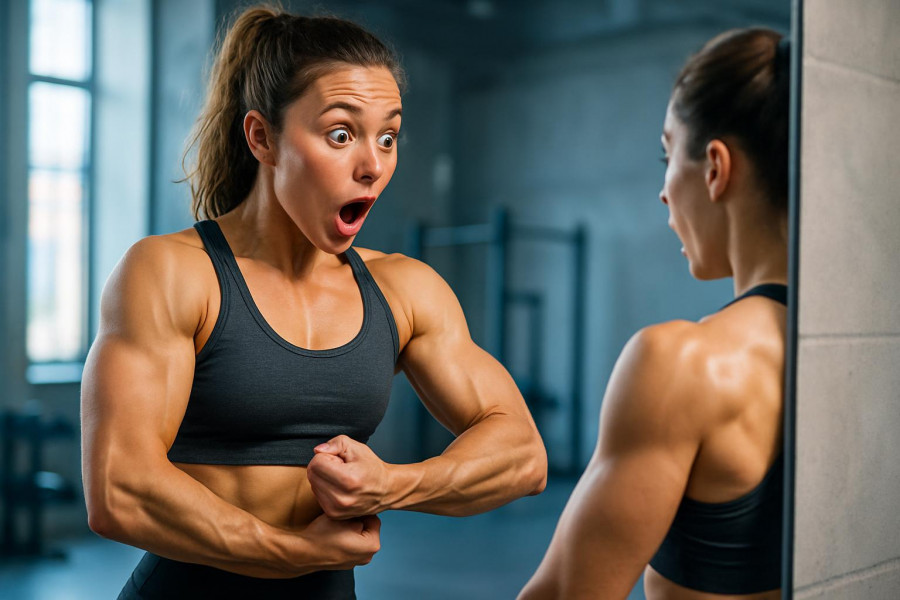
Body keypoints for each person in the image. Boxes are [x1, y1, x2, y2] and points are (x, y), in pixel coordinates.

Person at [81, 6, 547, 599]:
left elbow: (523, 455)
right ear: (262, 137)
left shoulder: (403, 290)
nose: (373, 164)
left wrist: (392, 485)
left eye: (388, 136)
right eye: (341, 134)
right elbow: (119, 488)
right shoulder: (172, 273)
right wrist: (291, 553)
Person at [518, 27, 790, 600]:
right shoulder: (870, 355)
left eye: (669, 156)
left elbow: (566, 593)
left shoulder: (681, 363)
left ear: (716, 167)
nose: (665, 191)